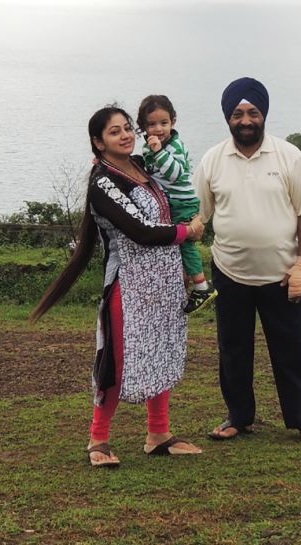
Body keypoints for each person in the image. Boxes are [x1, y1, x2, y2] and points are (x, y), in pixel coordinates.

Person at [31, 105, 206, 467]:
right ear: (98, 142)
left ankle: (158, 433)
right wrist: (187, 232)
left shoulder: (143, 165)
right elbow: (140, 231)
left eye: (128, 128)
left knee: (162, 349)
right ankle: (99, 439)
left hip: (166, 281)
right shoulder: (103, 183)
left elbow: (178, 185)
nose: (126, 135)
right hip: (128, 284)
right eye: (115, 131)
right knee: (115, 357)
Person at [193, 77, 301, 444]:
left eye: (253, 112)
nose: (246, 120)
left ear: (264, 114)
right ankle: (239, 417)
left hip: (283, 274)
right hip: (230, 271)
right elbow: (199, 217)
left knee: (292, 349)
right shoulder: (212, 160)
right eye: (237, 114)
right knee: (233, 349)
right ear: (228, 118)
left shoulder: (288, 156)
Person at [136, 94, 217, 314]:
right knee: (174, 244)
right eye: (151, 124)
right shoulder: (148, 147)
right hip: (170, 203)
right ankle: (185, 280)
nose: (158, 129)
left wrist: (158, 152)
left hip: (182, 203)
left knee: (186, 243)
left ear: (173, 121)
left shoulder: (174, 147)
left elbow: (174, 174)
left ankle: (202, 286)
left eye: (164, 123)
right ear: (143, 126)